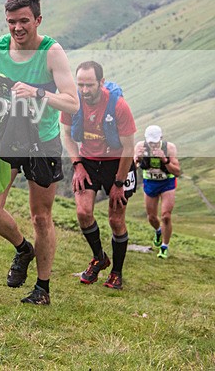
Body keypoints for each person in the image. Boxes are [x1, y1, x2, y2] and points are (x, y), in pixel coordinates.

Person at [0, 0, 79, 305]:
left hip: (41, 140)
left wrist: (37, 93)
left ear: (38, 20)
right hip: (5, 135)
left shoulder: (51, 52)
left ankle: (42, 289)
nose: (17, 28)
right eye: (11, 22)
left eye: (23, 21)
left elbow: (72, 103)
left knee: (41, 218)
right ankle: (23, 249)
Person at [61, 61, 137, 290]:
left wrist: (119, 182)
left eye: (90, 85)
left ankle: (117, 273)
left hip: (117, 163)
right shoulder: (72, 103)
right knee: (83, 212)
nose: (84, 90)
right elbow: (66, 134)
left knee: (116, 219)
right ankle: (99, 258)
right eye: (80, 85)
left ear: (101, 83)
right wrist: (77, 165)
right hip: (88, 161)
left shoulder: (119, 106)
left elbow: (129, 148)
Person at [134, 125, 181, 259]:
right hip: (150, 182)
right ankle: (158, 231)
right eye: (151, 142)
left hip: (167, 183)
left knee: (166, 216)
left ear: (161, 138)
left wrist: (164, 160)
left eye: (155, 142)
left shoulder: (169, 148)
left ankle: (164, 247)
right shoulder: (140, 146)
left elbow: (177, 171)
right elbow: (132, 166)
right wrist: (137, 159)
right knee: (152, 217)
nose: (153, 145)